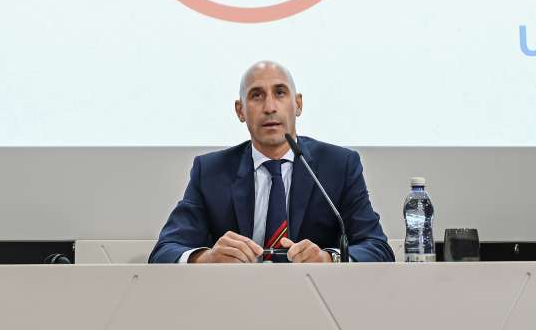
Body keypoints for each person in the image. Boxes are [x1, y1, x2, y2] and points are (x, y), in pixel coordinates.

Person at [150, 61, 393, 263]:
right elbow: (164, 251)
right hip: (234, 303)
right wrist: (206, 259)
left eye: (279, 93)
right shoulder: (212, 171)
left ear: (297, 104)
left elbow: (377, 249)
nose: (269, 107)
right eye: (256, 96)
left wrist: (329, 259)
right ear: (240, 110)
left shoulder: (339, 166)